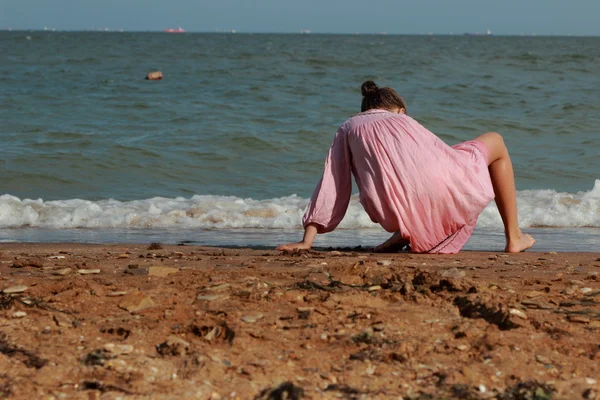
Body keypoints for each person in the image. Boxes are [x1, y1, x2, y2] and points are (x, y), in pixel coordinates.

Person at [277, 80, 535, 254]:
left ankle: (403, 233)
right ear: (400, 110)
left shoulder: (348, 128)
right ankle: (514, 236)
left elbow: (332, 184)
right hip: (444, 196)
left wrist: (307, 240)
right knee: (496, 142)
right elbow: (437, 161)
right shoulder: (404, 121)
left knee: (404, 181)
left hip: (393, 213)